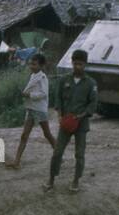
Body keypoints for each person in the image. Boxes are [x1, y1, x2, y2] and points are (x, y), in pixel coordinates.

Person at [44, 49, 98, 193]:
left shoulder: (91, 83)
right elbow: (58, 98)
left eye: (80, 64)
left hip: (81, 124)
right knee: (57, 152)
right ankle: (51, 179)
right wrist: (60, 115)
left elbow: (93, 103)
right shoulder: (64, 80)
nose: (77, 67)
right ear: (72, 63)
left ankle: (76, 180)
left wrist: (81, 116)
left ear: (85, 64)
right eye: (75, 64)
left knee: (79, 154)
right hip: (66, 123)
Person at [7, 53, 54, 169]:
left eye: (34, 64)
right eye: (30, 64)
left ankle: (58, 155)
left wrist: (29, 94)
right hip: (31, 108)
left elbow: (43, 94)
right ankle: (16, 161)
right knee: (24, 135)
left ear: (41, 65)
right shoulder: (34, 75)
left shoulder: (42, 77)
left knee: (47, 134)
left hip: (39, 109)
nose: (31, 66)